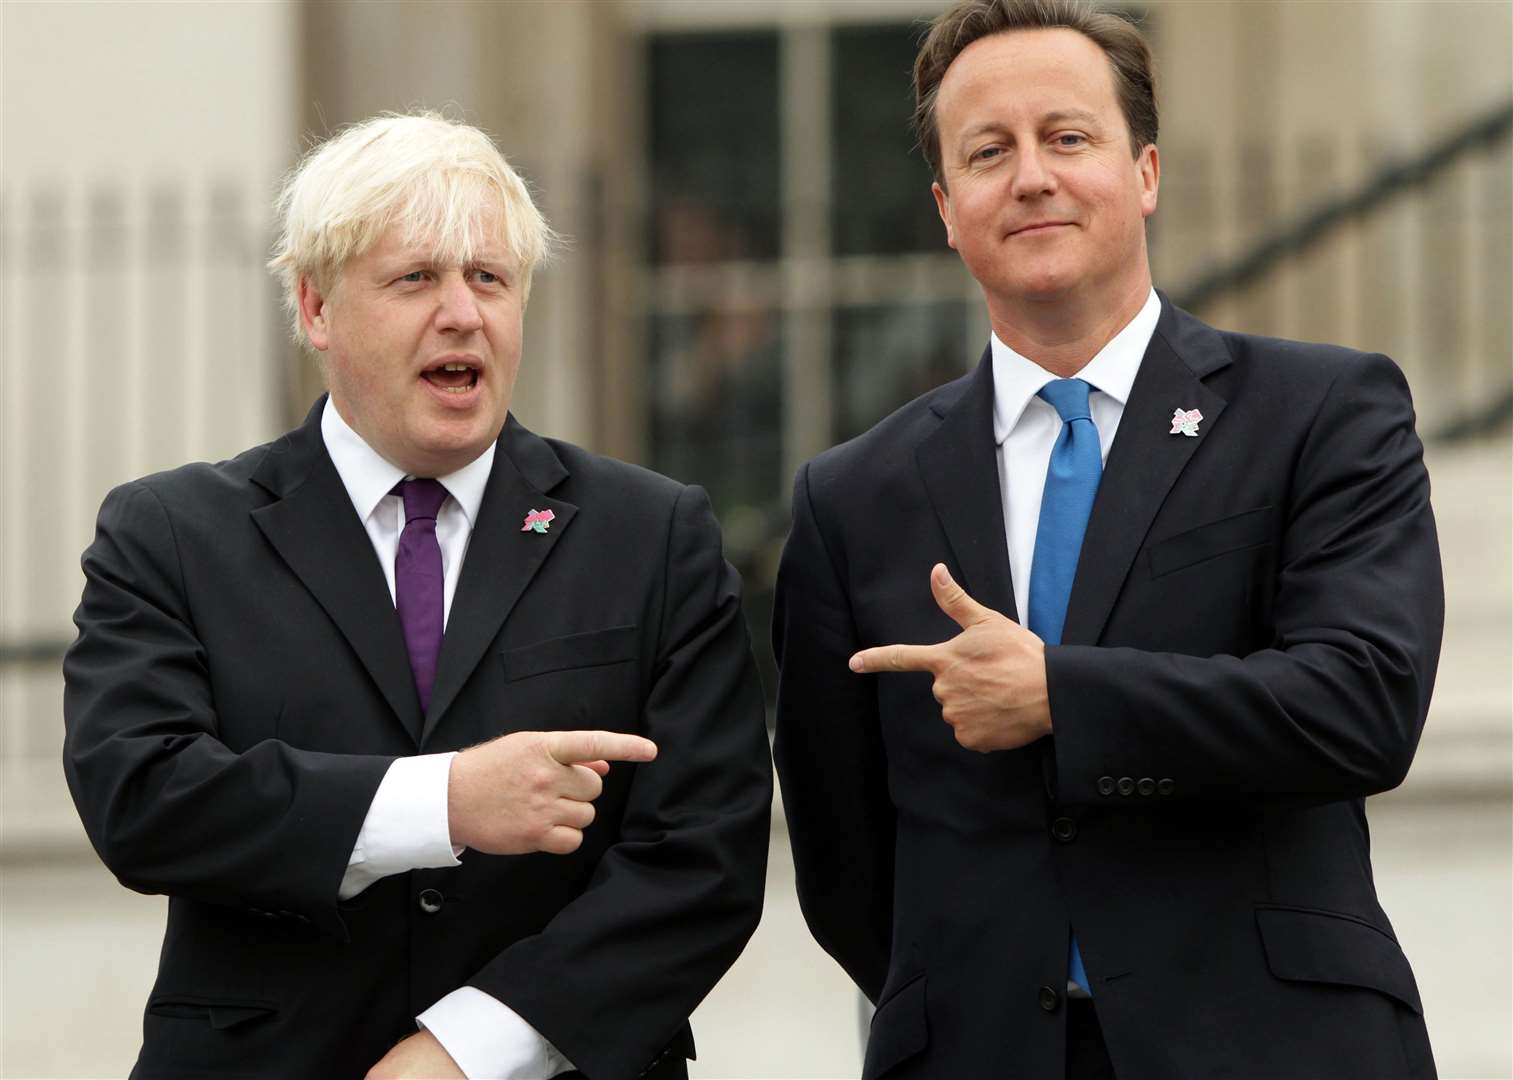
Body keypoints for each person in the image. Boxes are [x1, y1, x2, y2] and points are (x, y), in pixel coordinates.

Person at [771, 2, 1442, 1078]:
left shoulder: (1318, 413)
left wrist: (1061, 697)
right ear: (948, 209)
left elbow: (1361, 703)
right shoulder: (853, 496)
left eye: (1067, 137)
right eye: (988, 152)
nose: (1030, 176)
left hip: (1269, 1046)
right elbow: (844, 858)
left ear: (1144, 173)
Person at [63, 112, 772, 1080]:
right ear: (314, 309)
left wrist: (467, 1050)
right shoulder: (173, 535)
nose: (462, 312)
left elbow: (703, 861)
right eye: (415, 279)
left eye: (489, 278)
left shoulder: (651, 538)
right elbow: (143, 797)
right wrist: (444, 801)